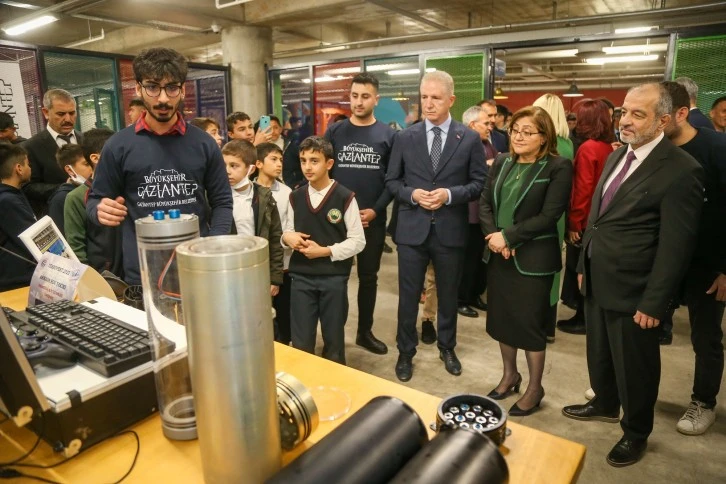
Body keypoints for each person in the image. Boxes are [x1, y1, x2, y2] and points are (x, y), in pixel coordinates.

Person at [562, 83, 704, 468]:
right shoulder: (617, 155)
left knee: (635, 367)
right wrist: (583, 265)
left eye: (637, 114)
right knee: (600, 353)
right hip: (598, 276)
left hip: (636, 290)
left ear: (663, 121)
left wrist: (655, 302)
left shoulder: (681, 170)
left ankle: (636, 431)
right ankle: (606, 403)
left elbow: (676, 247)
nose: (624, 120)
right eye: (623, 111)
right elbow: (598, 216)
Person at [87, 47, 233, 285]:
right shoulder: (118, 146)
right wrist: (99, 210)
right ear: (138, 89)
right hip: (142, 274)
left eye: (172, 88)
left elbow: (222, 202)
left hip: (198, 268)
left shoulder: (204, 144)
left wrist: (214, 245)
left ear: (182, 90)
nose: (163, 98)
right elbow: (95, 200)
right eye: (153, 87)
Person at [386, 71, 486, 382]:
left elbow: (478, 183)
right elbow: (392, 181)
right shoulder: (405, 137)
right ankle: (406, 351)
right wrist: (412, 194)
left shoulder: (468, 138)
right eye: (424, 97)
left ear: (451, 100)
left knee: (448, 294)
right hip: (412, 229)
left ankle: (447, 347)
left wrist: (449, 195)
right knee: (408, 296)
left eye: (436, 98)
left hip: (449, 229)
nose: (428, 104)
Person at [479, 106, 572, 416]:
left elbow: (550, 215)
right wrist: (494, 238)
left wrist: (509, 237)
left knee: (529, 325)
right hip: (499, 255)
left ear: (544, 137)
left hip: (533, 260)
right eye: (515, 130)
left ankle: (535, 388)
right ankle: (510, 376)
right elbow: (485, 203)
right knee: (502, 320)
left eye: (527, 132)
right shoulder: (503, 162)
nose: (518, 137)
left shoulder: (557, 167)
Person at [661, 81, 726, 435]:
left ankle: (704, 402)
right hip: (663, 258)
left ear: (682, 113)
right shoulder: (655, 149)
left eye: (658, 115)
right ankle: (628, 387)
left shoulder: (716, 147)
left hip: (707, 262)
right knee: (644, 325)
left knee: (705, 336)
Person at [324, 72, 395, 355]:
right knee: (337, 279)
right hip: (336, 220)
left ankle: (364, 332)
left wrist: (375, 211)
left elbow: (393, 181)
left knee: (368, 278)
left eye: (365, 96)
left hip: (371, 220)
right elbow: (325, 174)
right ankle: (334, 336)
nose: (358, 102)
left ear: (376, 99)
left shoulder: (389, 136)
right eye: (354, 96)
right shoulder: (335, 132)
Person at [282, 136, 365, 365]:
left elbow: (358, 241)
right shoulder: (295, 196)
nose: (307, 167)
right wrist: (287, 237)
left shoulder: (345, 197)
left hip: (333, 279)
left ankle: (333, 381)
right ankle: (305, 383)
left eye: (314, 161)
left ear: (329, 163)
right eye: (303, 161)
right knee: (301, 343)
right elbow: (287, 230)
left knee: (334, 341)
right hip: (301, 278)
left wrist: (326, 251)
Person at [558, 100, 614, 335]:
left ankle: (583, 318)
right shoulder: (607, 147)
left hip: (586, 220)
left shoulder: (588, 148)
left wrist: (574, 223)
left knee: (579, 269)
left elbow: (583, 189)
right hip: (600, 218)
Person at [533, 93, 574, 343]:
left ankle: (535, 323)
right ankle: (548, 326)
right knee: (552, 267)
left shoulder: (545, 146)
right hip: (558, 215)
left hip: (536, 212)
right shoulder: (568, 145)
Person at [222, 139, 284, 295]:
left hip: (256, 268)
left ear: (251, 169)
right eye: (224, 165)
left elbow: (275, 238)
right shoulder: (216, 198)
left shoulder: (264, 197)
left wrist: (275, 278)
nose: (227, 171)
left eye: (234, 166)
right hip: (227, 270)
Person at [64, 128, 122, 277]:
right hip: (102, 278)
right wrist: (88, 280)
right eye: (116, 152)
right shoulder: (76, 197)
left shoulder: (125, 189)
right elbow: (76, 246)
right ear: (95, 158)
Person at [457, 105, 494, 318]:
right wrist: (487, 165)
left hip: (484, 212)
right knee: (467, 260)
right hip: (469, 213)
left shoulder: (488, 144)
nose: (490, 126)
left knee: (480, 259)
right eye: (486, 123)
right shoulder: (462, 145)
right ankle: (461, 299)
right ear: (472, 125)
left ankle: (473, 295)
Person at [22, 88, 83, 217]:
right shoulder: (31, 147)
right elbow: (28, 187)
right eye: (61, 114)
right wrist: (65, 187)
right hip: (56, 214)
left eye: (72, 113)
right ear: (46, 112)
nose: (68, 119)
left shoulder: (85, 139)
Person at [255, 142, 293, 344]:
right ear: (259, 163)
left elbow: (289, 227)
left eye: (281, 160)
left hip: (283, 265)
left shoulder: (286, 193)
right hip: (256, 265)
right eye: (273, 159)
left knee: (283, 314)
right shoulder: (248, 191)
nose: (279, 164)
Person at [0, 144, 36, 291]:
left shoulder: (13, 194)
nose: (30, 168)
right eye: (28, 164)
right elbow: (33, 237)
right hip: (16, 281)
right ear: (19, 168)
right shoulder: (7, 201)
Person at [47, 144, 93, 236]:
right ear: (70, 170)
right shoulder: (61, 199)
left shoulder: (97, 188)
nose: (93, 167)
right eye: (87, 164)